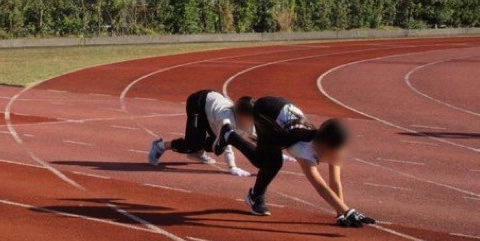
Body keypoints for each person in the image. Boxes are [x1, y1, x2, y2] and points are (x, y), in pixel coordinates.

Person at [216, 96, 375, 227]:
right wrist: (348, 211)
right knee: (269, 162)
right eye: (339, 151)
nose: (342, 155)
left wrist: (341, 213)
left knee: (268, 160)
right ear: (325, 146)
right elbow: (320, 186)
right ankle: (229, 136)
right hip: (265, 112)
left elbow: (335, 181)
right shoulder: (303, 149)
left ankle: (230, 137)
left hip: (281, 114)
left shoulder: (332, 145)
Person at [148, 90, 256, 177]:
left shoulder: (246, 120)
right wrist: (232, 167)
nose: (253, 121)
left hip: (211, 110)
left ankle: (197, 152)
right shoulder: (225, 120)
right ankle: (160, 146)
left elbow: (256, 134)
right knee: (193, 143)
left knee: (213, 144)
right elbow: (226, 143)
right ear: (241, 115)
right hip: (198, 103)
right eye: (251, 118)